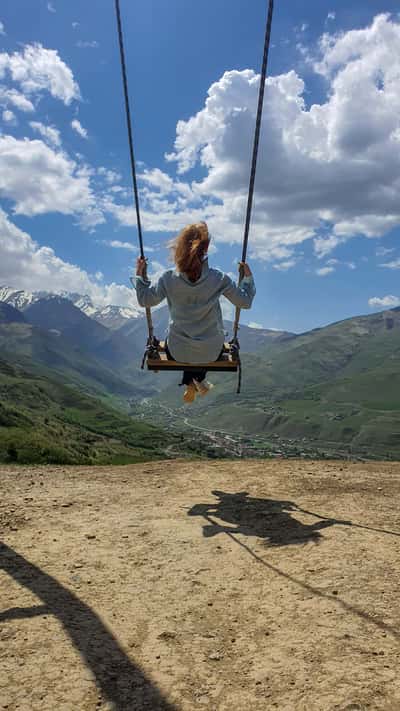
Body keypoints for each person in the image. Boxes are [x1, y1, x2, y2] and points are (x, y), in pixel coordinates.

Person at [132, 222, 255, 403]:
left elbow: (145, 300)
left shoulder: (168, 278)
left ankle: (192, 381)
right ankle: (197, 380)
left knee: (185, 344)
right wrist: (247, 278)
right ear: (205, 249)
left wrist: (140, 274)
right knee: (205, 345)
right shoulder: (219, 278)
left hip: (177, 350)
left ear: (179, 247)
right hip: (211, 352)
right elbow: (244, 302)